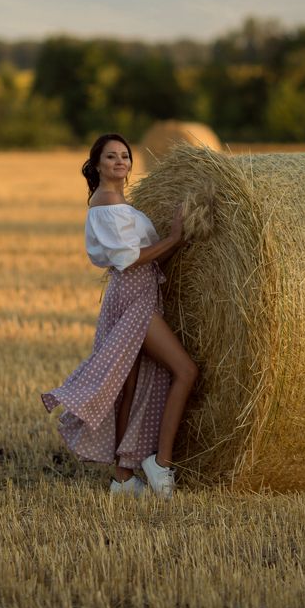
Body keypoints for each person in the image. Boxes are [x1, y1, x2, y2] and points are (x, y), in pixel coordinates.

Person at [41, 133, 198, 499]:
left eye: (125, 156)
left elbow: (144, 253)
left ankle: (123, 478)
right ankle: (161, 462)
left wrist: (179, 243)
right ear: (97, 165)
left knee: (130, 385)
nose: (120, 162)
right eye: (111, 156)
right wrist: (174, 238)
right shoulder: (107, 203)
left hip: (138, 292)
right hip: (132, 297)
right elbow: (129, 259)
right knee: (186, 371)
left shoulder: (119, 203)